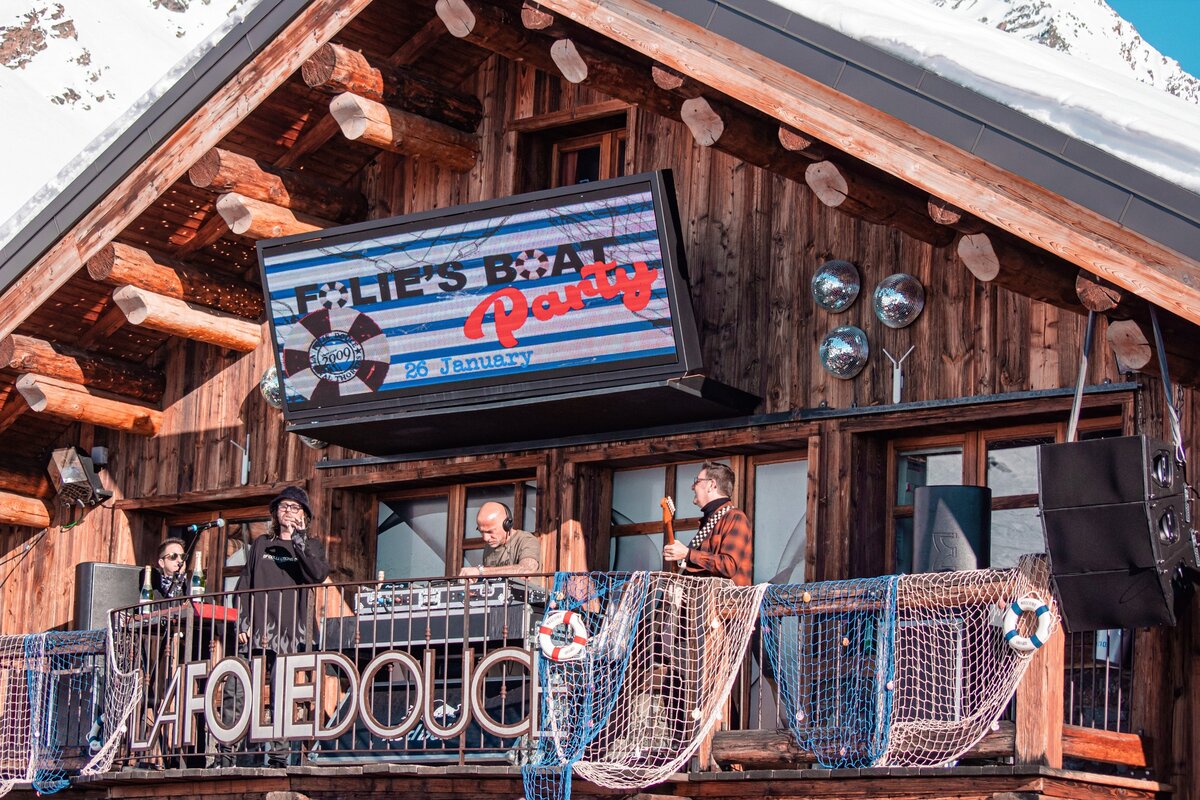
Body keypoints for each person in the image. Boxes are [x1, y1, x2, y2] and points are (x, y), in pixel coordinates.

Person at [223, 486, 330, 767]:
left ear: (304, 514)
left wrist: (299, 539)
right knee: (237, 689)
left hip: (290, 633)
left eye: (294, 507)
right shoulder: (261, 544)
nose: (288, 511)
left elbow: (317, 574)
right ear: (275, 512)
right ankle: (226, 755)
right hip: (258, 631)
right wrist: (243, 622)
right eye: (283, 506)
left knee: (284, 694)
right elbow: (244, 585)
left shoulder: (311, 546)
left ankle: (279, 757)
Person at [662, 462, 753, 586]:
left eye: (697, 481)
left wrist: (687, 553)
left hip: (724, 604)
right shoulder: (710, 520)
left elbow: (729, 565)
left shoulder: (735, 517)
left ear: (711, 485)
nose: (692, 487)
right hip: (703, 603)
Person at [459, 501, 540, 577]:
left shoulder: (526, 540)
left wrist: (481, 571)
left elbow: (527, 570)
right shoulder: (489, 548)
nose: (485, 538)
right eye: (481, 532)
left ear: (507, 525)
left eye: (490, 532)